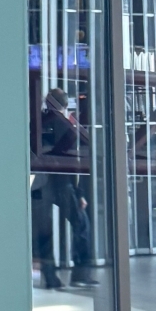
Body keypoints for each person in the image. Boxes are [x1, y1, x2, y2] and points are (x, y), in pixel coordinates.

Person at [40, 87, 95, 287]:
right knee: (82, 225)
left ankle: (50, 277)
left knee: (44, 231)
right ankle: (81, 273)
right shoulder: (66, 125)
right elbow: (72, 162)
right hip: (63, 183)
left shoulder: (38, 122)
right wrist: (80, 193)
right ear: (65, 105)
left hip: (42, 182)